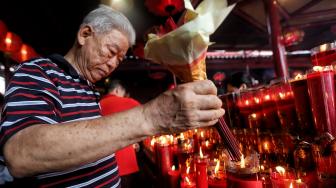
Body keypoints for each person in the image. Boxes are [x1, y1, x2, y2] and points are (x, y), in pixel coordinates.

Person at [0, 5, 224, 187]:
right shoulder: (38, 71)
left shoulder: (87, 87)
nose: (112, 64)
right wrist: (152, 118)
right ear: (85, 34)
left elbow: (84, 142)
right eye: (110, 52)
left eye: (119, 59)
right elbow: (22, 153)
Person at [100, 79, 141, 188]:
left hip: (104, 167)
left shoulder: (97, 105)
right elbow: (147, 118)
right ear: (117, 90)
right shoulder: (128, 102)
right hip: (125, 164)